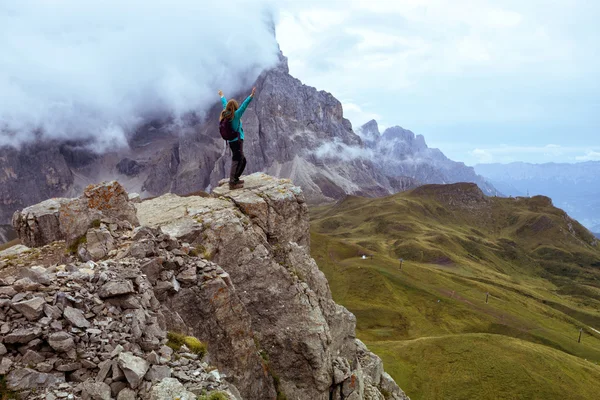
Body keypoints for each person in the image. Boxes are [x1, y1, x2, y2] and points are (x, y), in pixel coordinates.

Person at [218, 87, 256, 190]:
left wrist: (221, 95)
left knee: (241, 159)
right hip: (237, 141)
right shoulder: (236, 115)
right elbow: (244, 105)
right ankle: (232, 182)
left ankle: (235, 178)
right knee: (237, 159)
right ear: (235, 107)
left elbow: (224, 103)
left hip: (231, 141)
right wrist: (251, 96)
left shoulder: (226, 113)